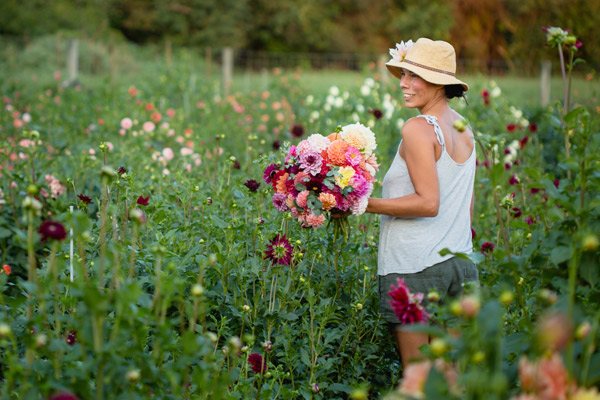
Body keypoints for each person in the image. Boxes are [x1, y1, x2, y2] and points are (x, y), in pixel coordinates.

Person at [369, 38, 478, 367]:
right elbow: (466, 207)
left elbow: (429, 203)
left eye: (414, 76)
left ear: (439, 83)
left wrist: (363, 204)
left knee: (418, 381)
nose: (404, 83)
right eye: (403, 74)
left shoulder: (417, 128)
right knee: (451, 380)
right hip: (461, 264)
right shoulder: (464, 128)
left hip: (415, 268)